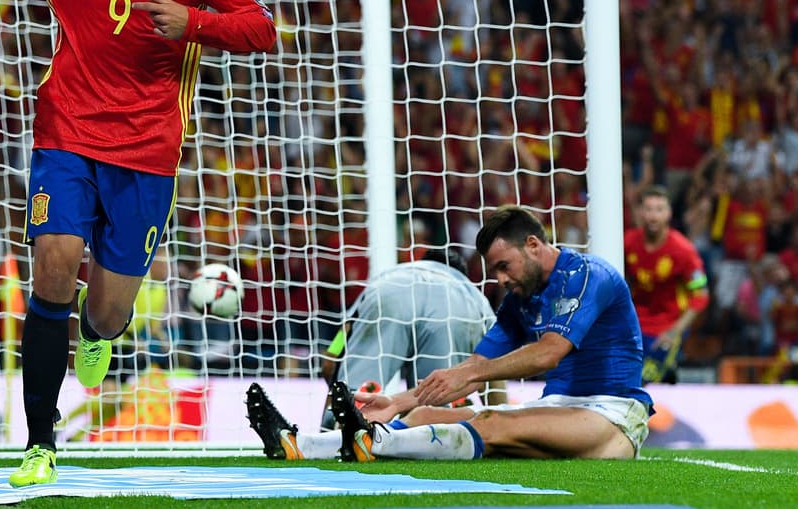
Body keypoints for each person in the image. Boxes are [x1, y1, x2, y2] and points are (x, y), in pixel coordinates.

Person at [0, 0, 277, 487]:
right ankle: (39, 442)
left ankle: (100, 337)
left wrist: (192, 22)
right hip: (67, 132)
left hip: (148, 151)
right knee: (52, 264)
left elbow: (258, 27)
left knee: (105, 310)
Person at [254, 205, 653, 462]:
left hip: (611, 417)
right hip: (559, 408)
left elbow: (549, 353)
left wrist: (470, 375)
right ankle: (300, 443)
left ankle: (372, 443)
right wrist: (398, 401)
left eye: (503, 265)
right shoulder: (520, 297)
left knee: (492, 423)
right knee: (424, 414)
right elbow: (477, 363)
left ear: (533, 244)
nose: (498, 279)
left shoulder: (588, 276)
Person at [247, 253, 503, 460]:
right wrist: (502, 416)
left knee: (359, 399)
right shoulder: (472, 294)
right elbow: (494, 368)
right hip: (455, 310)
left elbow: (332, 354)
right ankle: (415, 443)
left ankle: (326, 440)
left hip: (390, 296)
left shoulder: (392, 275)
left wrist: (337, 392)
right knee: (435, 407)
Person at [623, 185, 709, 383]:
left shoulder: (683, 250)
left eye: (659, 210)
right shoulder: (628, 242)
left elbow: (701, 295)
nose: (653, 216)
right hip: (634, 326)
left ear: (669, 213)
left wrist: (675, 330)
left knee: (648, 381)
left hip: (668, 327)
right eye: (649, 209)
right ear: (641, 213)